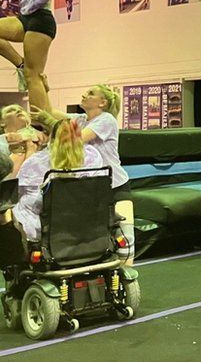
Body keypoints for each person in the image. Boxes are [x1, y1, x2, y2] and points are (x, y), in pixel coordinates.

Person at [33, 84, 134, 266]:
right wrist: (43, 87)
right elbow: (50, 110)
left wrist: (48, 121)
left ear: (102, 102)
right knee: (93, 239)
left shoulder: (107, 120)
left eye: (91, 93)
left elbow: (75, 139)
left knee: (125, 239)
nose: (84, 94)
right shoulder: (80, 119)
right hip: (91, 189)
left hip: (116, 186)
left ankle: (127, 274)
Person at [12, 119, 102, 243]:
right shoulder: (93, 156)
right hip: (83, 223)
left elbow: (17, 193)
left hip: (43, 228)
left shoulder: (36, 162)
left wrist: (30, 151)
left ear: (51, 138)